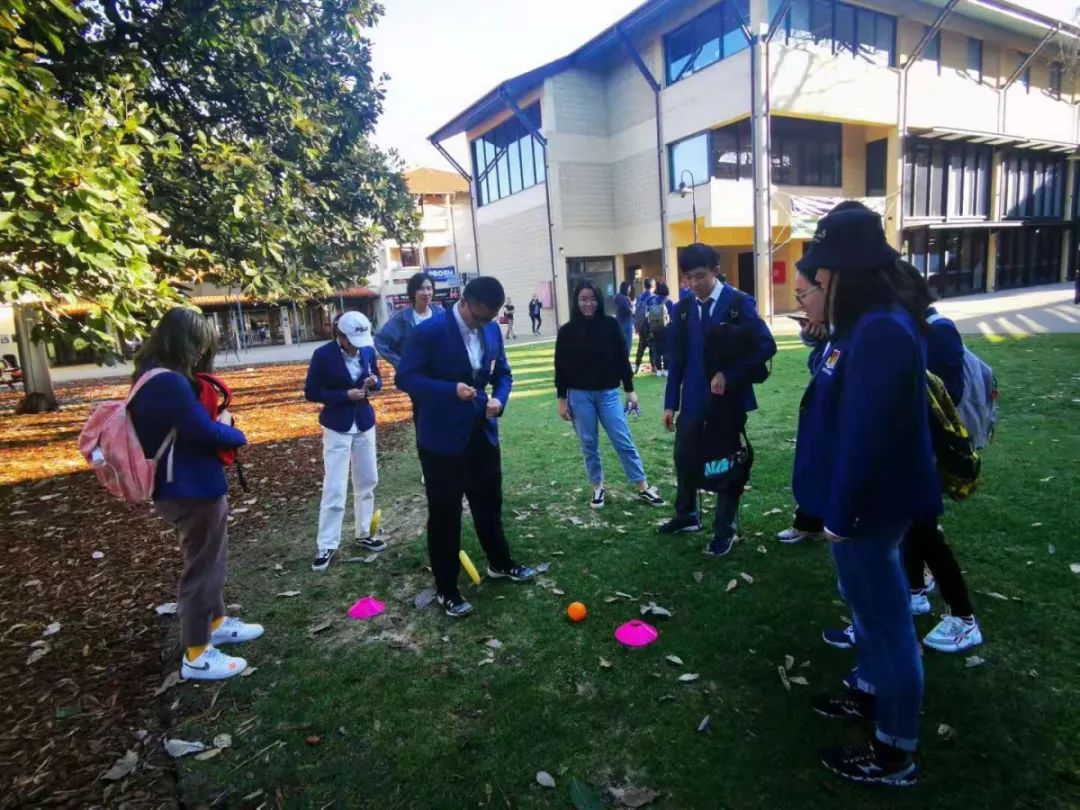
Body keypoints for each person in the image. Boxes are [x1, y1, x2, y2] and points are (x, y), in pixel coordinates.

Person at [793, 204, 941, 787]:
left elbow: (867, 432)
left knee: (886, 622)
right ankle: (871, 690)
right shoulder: (859, 326)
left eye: (822, 274)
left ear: (846, 273)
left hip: (869, 508)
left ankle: (894, 751)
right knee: (866, 611)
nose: (815, 282)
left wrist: (843, 512)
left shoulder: (881, 329)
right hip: (852, 503)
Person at [128, 308, 259, 682]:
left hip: (189, 483)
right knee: (203, 566)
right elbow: (203, 431)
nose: (203, 353)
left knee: (210, 557)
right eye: (200, 345)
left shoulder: (151, 376)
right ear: (184, 343)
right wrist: (236, 433)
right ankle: (197, 653)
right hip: (190, 487)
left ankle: (215, 622)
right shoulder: (168, 383)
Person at [397, 277, 536, 618]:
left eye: (490, 318)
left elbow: (503, 374)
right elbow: (406, 378)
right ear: (464, 301)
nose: (483, 323)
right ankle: (447, 588)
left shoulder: (491, 330)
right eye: (479, 317)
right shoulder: (429, 332)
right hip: (441, 440)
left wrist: (499, 400)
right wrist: (450, 390)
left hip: (482, 433)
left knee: (489, 503)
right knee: (445, 514)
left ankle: (499, 563)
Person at [658, 244, 776, 557]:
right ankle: (687, 514)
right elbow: (677, 359)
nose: (694, 284)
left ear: (715, 271)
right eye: (688, 278)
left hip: (727, 402)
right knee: (684, 457)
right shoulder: (683, 308)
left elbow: (767, 345)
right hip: (693, 400)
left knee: (724, 463)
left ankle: (725, 530)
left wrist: (730, 374)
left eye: (700, 276)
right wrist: (670, 403)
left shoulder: (738, 303)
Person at [555, 280, 666, 510]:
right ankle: (597, 486)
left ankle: (643, 486)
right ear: (576, 301)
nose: (588, 303)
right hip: (579, 395)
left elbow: (621, 359)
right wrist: (562, 399)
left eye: (592, 299)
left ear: (599, 300)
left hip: (608, 394)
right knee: (589, 443)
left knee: (623, 439)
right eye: (583, 299)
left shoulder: (610, 325)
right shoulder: (566, 332)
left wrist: (630, 390)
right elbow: (561, 367)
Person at [304, 312, 384, 572]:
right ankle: (327, 543)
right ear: (341, 336)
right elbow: (311, 391)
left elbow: (379, 379)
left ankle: (364, 532)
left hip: (364, 422)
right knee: (335, 485)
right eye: (352, 341)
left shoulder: (367, 350)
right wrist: (343, 395)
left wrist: (374, 383)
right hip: (337, 425)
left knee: (367, 480)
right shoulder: (323, 355)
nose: (357, 346)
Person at [374, 272, 444, 370]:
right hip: (414, 374)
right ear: (413, 292)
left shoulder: (441, 314)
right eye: (421, 289)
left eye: (429, 288)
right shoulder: (402, 318)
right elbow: (380, 341)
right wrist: (400, 363)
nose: (426, 293)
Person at [647, 282, 674, 376]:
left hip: (654, 329)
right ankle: (666, 369)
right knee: (667, 350)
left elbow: (648, 315)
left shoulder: (652, 301)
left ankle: (658, 369)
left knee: (656, 350)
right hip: (666, 330)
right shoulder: (669, 302)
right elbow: (672, 317)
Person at [633, 277, 655, 374]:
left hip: (641, 325)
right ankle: (654, 366)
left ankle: (637, 366)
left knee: (641, 347)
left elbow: (636, 312)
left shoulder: (639, 297)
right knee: (652, 347)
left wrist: (637, 325)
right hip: (650, 326)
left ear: (644, 286)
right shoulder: (654, 298)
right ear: (652, 286)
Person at [614, 281, 635, 357]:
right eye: (629, 288)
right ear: (626, 288)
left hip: (619, 323)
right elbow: (628, 311)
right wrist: (633, 309)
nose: (630, 290)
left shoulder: (617, 297)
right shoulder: (624, 299)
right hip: (626, 324)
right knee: (627, 345)